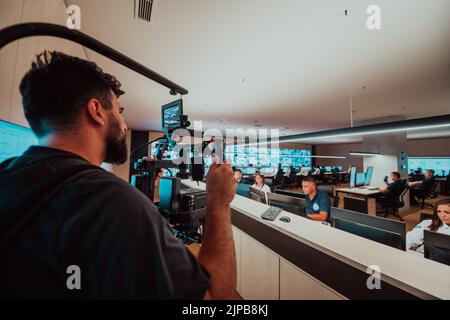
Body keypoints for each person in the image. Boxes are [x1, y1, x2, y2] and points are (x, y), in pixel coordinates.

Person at [0, 51, 237, 299]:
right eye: (118, 110)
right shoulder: (115, 202)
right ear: (96, 110)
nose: (123, 124)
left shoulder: (7, 176)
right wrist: (218, 201)